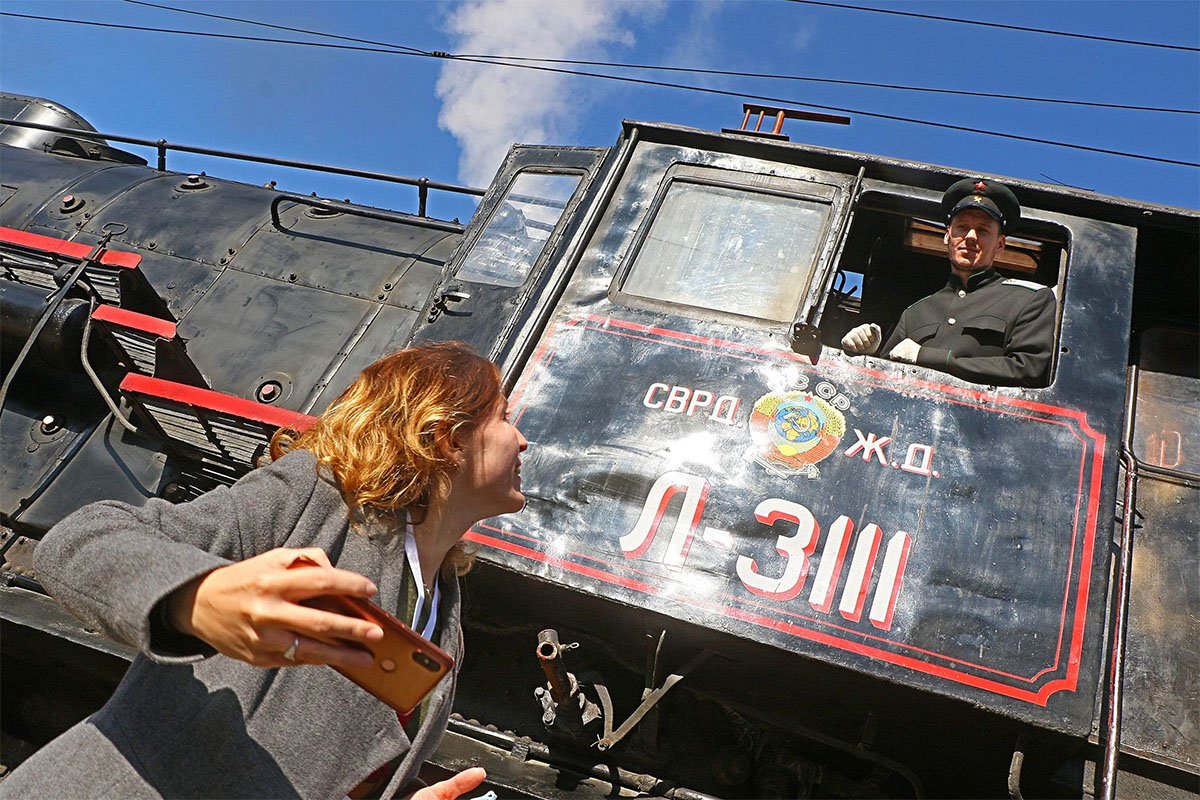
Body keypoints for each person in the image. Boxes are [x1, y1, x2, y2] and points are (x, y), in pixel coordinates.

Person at [1, 342, 527, 800]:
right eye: (505, 417)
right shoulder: (315, 499)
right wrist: (199, 596)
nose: (522, 440)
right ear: (447, 436)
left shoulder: (446, 617)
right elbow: (82, 538)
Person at [841, 178, 1056, 388]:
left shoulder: (1029, 300)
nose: (971, 236)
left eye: (983, 230)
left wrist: (929, 356)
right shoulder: (914, 313)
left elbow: (1029, 369)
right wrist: (865, 353)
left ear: (1000, 244)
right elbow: (883, 379)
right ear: (947, 236)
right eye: (962, 227)